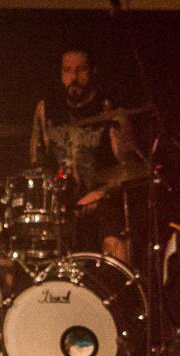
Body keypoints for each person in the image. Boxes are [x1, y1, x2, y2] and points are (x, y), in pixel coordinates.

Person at [28, 47, 141, 263]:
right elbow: (37, 160)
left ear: (92, 72)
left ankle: (118, 291)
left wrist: (103, 193)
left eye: (80, 70)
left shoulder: (109, 109)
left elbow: (130, 168)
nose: (74, 78)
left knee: (116, 245)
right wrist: (51, 194)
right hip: (60, 202)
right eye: (68, 71)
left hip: (102, 200)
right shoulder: (46, 109)